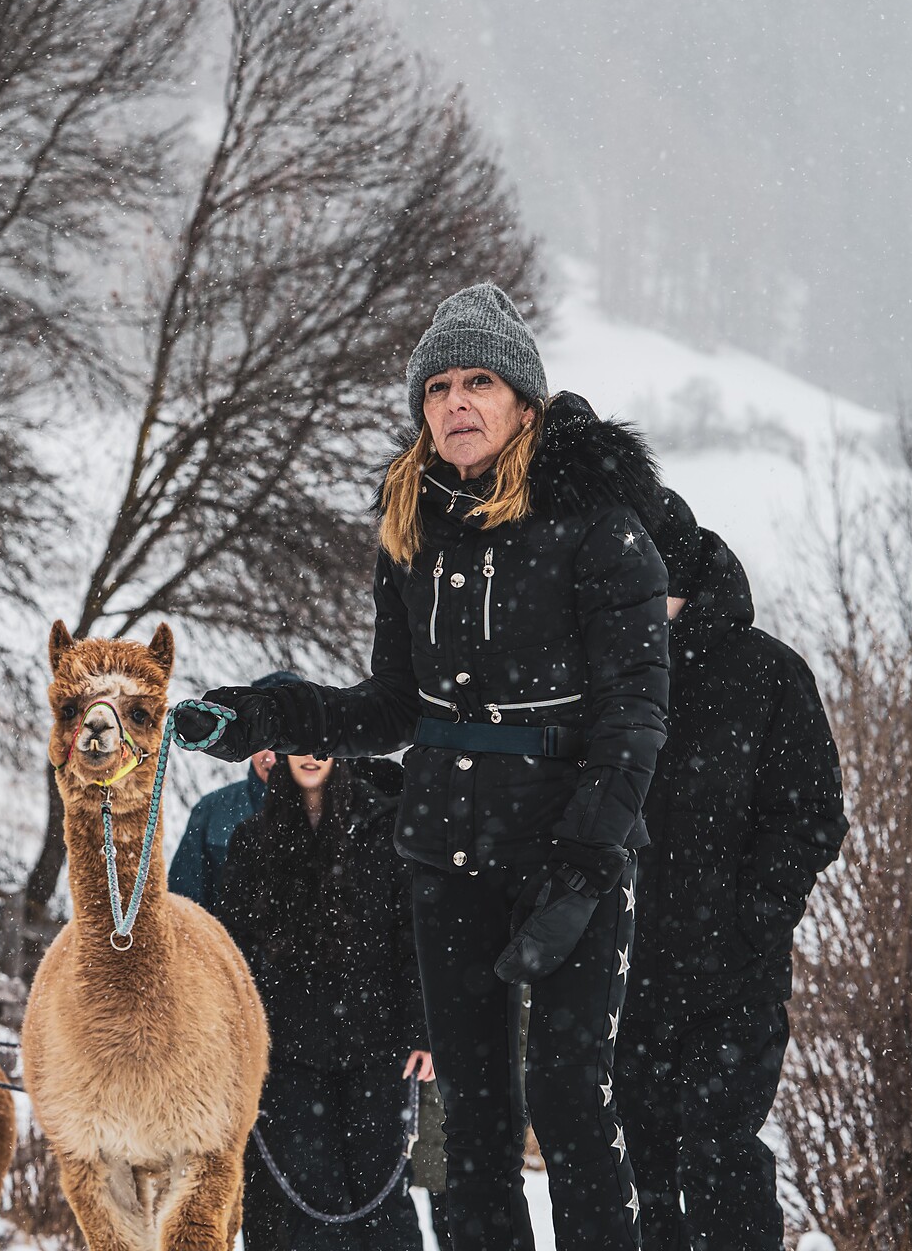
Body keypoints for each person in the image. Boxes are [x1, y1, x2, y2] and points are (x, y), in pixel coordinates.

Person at [176, 283, 671, 1251]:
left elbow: (637, 714)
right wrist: (254, 717)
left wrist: (584, 858)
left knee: (569, 1099)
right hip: (445, 850)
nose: (456, 402)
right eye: (438, 386)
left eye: (479, 380)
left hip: (569, 843)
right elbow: (387, 710)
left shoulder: (602, 529)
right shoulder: (412, 534)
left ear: (524, 400)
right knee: (472, 1114)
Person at [616, 493, 847, 1251]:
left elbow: (811, 814)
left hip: (732, 977)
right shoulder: (604, 680)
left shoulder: (769, 675)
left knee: (719, 1159)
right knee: (636, 1174)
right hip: (622, 972)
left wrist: (755, 919)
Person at [218, 750, 451, 1251]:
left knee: (382, 1193)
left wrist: (422, 1030)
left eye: (324, 740)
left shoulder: (388, 831)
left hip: (377, 1042)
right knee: (309, 1199)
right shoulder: (251, 841)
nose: (312, 754)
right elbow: (233, 955)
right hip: (285, 1052)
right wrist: (235, 1040)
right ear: (278, 754)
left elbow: (412, 938)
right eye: (299, 741)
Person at [168, 671, 301, 910]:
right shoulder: (211, 811)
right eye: (265, 743)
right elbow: (183, 906)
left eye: (282, 745)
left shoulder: (340, 811)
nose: (272, 757)